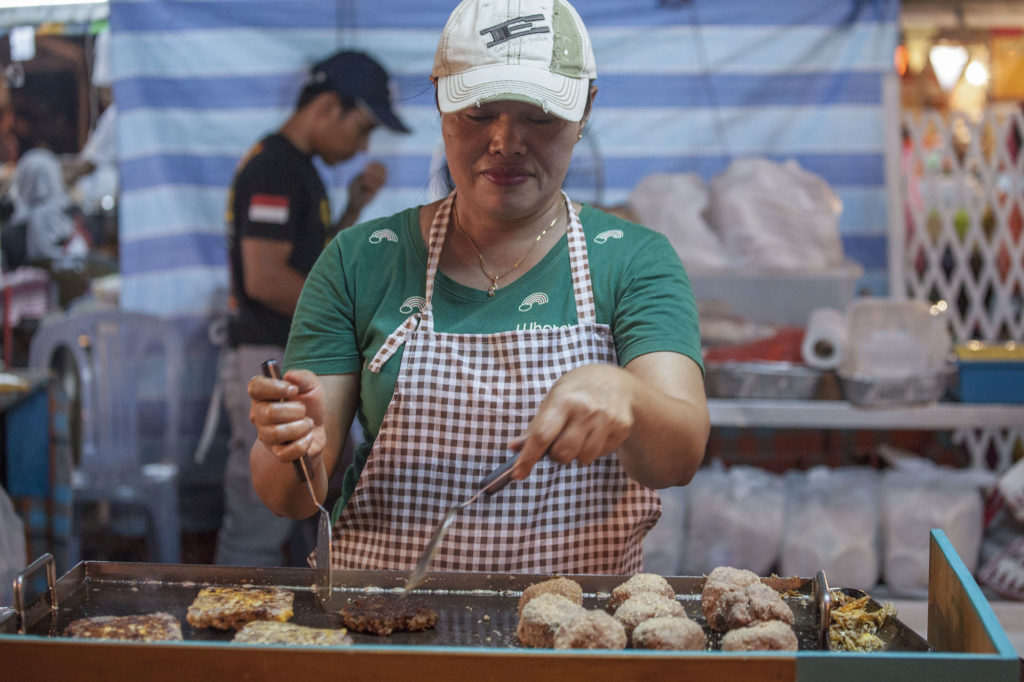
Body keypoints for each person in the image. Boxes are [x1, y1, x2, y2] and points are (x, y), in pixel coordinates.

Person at [247, 0, 709, 575]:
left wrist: (630, 396)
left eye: (540, 116)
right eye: (478, 112)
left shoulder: (633, 260)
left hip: (576, 638)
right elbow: (290, 496)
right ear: (442, 101)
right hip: (382, 623)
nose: (505, 141)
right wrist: (288, 443)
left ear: (586, 108)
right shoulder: (360, 262)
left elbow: (679, 456)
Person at [215, 50, 410, 567]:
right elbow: (266, 277)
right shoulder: (276, 167)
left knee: (309, 495)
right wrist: (351, 315)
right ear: (328, 107)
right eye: (363, 128)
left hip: (291, 349)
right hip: (269, 355)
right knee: (258, 513)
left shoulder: (298, 168)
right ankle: (225, 636)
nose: (363, 145)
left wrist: (353, 209)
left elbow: (316, 262)